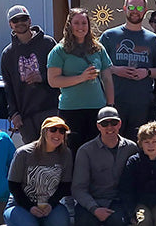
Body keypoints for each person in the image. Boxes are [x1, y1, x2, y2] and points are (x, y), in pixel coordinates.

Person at [99, 0, 156, 139]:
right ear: (125, 8)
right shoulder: (109, 36)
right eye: (131, 6)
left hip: (142, 105)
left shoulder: (153, 39)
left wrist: (147, 72)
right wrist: (115, 70)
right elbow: (96, 65)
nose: (135, 11)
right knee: (112, 142)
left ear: (145, 11)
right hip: (113, 103)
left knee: (138, 143)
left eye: (139, 7)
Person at [47, 8, 115, 155]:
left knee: (98, 152)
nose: (80, 27)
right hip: (71, 110)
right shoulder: (59, 51)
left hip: (97, 108)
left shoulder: (98, 48)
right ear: (69, 25)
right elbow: (53, 81)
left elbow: (107, 78)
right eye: (76, 23)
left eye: (84, 23)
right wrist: (81, 78)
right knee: (72, 152)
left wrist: (110, 105)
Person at [1, 5, 59, 143]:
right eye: (15, 20)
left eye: (23, 18)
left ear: (30, 21)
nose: (20, 22)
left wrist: (42, 77)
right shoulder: (7, 54)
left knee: (56, 153)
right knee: (34, 158)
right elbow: (7, 87)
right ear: (10, 24)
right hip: (26, 117)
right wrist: (14, 113)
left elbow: (60, 72)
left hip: (51, 110)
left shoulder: (48, 43)